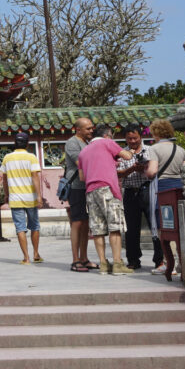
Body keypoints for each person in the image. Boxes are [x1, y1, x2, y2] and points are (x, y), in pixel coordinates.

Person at [78, 124, 134, 275]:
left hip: (91, 191)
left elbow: (82, 177)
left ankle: (103, 264)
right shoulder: (107, 142)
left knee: (98, 230)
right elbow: (127, 156)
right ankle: (117, 263)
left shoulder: (83, 152)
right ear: (107, 135)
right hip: (107, 188)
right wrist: (131, 151)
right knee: (114, 227)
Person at [144, 118, 185, 275]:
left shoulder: (154, 149)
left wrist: (145, 171)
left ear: (156, 133)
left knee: (164, 226)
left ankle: (168, 262)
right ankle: (181, 261)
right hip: (179, 187)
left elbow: (152, 171)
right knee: (178, 225)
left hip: (162, 188)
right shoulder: (181, 149)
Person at [116, 123, 163, 271]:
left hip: (148, 190)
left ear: (141, 136)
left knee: (154, 225)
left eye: (135, 138)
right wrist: (132, 169)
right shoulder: (121, 153)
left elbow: (156, 170)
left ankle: (159, 259)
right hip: (130, 191)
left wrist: (145, 168)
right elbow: (118, 173)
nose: (132, 141)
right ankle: (133, 259)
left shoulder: (150, 150)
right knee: (131, 228)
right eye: (129, 138)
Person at [1, 131, 43, 264]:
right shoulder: (31, 157)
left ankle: (26, 258)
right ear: (27, 144)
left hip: (15, 198)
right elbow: (35, 177)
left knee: (20, 228)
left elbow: (4, 179)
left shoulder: (7, 158)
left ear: (15, 143)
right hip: (30, 198)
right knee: (34, 226)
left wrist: (6, 195)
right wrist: (39, 196)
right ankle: (36, 254)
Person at [66, 117, 97, 272]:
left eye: (92, 128)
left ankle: (84, 258)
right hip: (76, 187)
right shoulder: (72, 142)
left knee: (86, 224)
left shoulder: (88, 143)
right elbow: (81, 162)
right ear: (78, 129)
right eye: (88, 128)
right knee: (77, 222)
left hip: (88, 185)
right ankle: (75, 260)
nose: (91, 130)